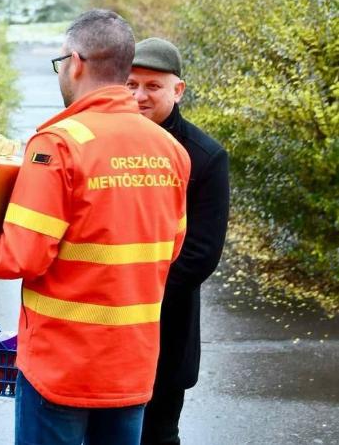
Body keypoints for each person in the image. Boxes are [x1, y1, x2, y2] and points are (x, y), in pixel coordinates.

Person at [0, 10, 191, 445]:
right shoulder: (169, 149)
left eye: (60, 62)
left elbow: (24, 254)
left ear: (76, 63)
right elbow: (171, 248)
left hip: (61, 367)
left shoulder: (58, 146)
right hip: (131, 365)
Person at [127, 37, 230, 445]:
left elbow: (201, 254)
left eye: (153, 86)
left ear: (178, 90)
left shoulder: (205, 155)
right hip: (104, 330)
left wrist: (132, 292)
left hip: (167, 325)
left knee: (158, 432)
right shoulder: (101, 144)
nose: (139, 96)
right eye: (131, 84)